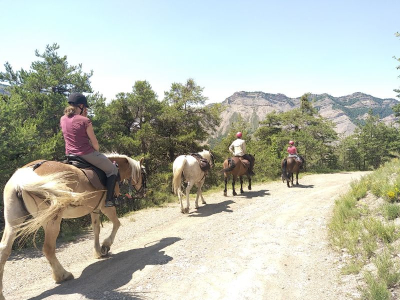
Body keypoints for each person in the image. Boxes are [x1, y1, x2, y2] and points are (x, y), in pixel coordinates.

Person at [60, 92, 119, 207]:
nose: (86, 109)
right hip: (85, 153)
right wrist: (96, 152)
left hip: (69, 154)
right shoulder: (85, 121)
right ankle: (109, 200)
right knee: (112, 169)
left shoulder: (63, 119)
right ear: (81, 106)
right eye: (85, 107)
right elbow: (95, 143)